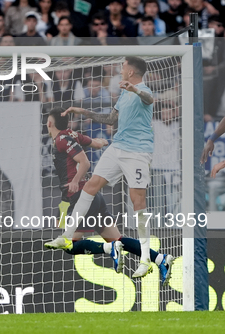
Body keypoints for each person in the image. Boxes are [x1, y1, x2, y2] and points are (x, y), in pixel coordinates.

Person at [46, 56, 156, 279]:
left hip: (137, 151)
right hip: (118, 147)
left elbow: (149, 99)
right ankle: (66, 236)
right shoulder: (124, 93)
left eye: (123, 66)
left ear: (131, 72)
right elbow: (109, 119)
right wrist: (82, 111)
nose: (120, 68)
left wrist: (135, 89)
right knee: (90, 186)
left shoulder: (141, 90)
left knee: (137, 200)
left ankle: (146, 259)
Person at [45, 108, 175, 285]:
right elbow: (93, 143)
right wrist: (98, 142)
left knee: (70, 245)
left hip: (80, 197)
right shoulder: (71, 134)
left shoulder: (61, 139)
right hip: (94, 199)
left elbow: (84, 161)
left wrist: (75, 180)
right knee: (119, 239)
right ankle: (161, 259)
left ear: (49, 123)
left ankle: (109, 248)